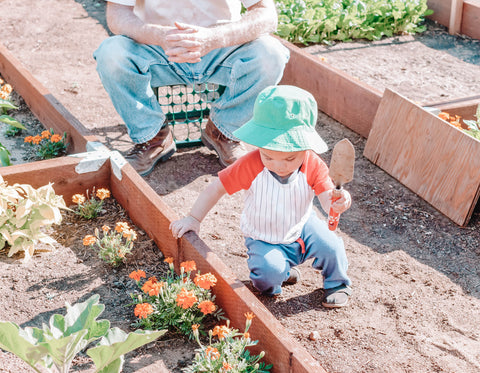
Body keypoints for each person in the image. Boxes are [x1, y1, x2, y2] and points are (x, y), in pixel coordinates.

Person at [170, 85, 353, 308]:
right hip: (264, 236)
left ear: (306, 147)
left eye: (289, 159)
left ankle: (337, 283)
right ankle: (281, 273)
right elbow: (216, 188)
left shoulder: (312, 163)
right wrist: (194, 219)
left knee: (331, 245)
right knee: (266, 276)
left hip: (302, 226)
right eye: (269, 156)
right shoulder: (250, 165)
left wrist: (337, 201)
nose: (279, 166)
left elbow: (326, 197)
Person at [93, 0, 290, 176]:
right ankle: (152, 137)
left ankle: (224, 132)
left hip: (221, 48)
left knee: (271, 55)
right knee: (111, 54)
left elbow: (266, 14)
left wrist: (213, 38)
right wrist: (160, 35)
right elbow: (117, 14)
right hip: (159, 49)